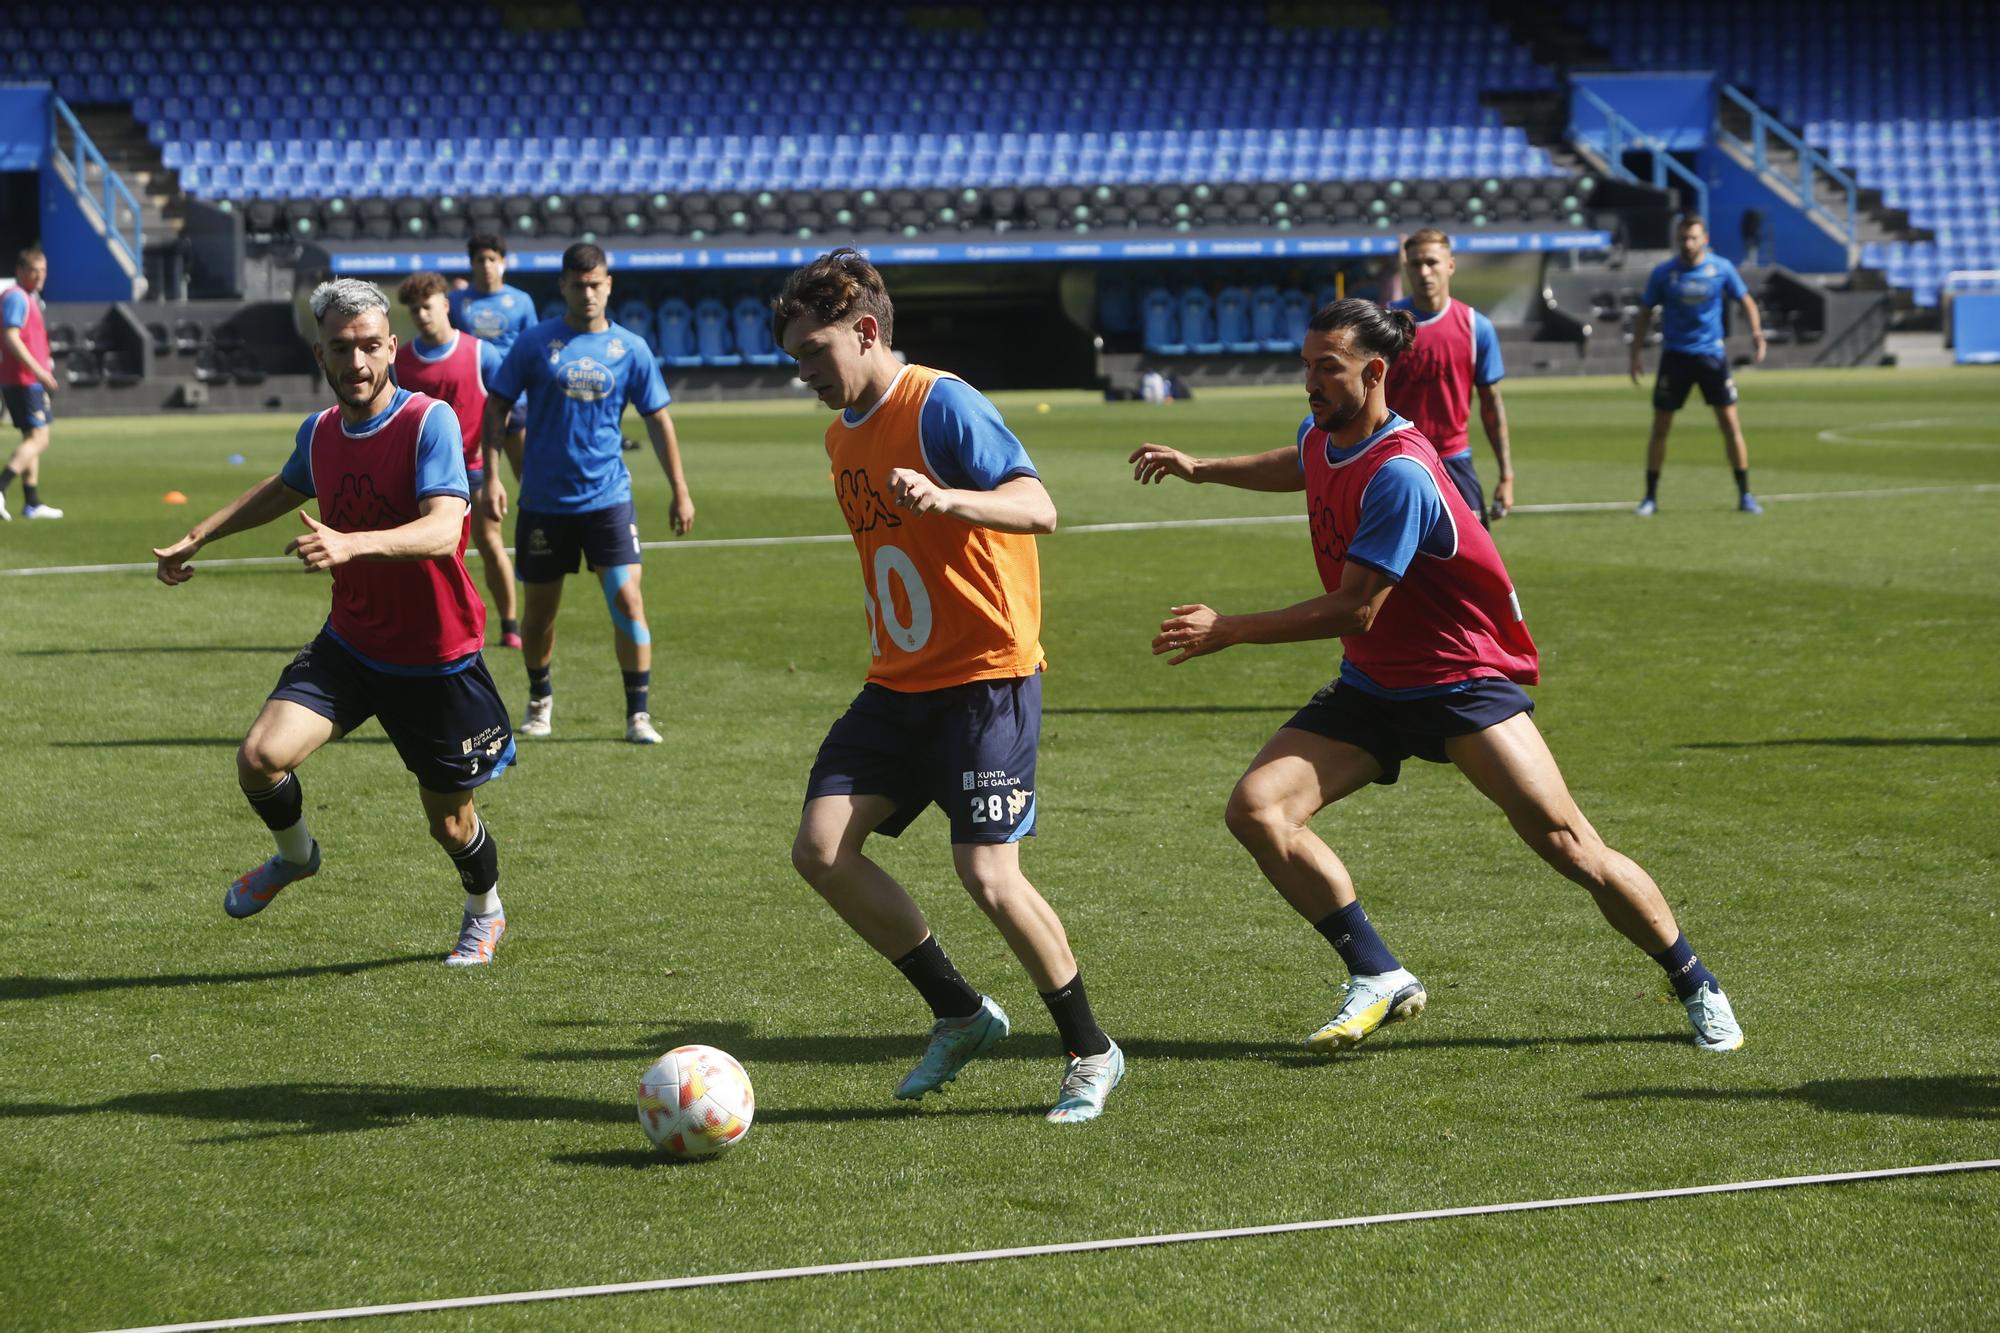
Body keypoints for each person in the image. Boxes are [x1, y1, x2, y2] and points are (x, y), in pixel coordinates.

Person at [1127, 298, 1744, 1054]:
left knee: (1570, 845)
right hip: (1375, 685)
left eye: (1329, 368)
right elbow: (1303, 462)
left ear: (1375, 372)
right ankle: (1378, 974)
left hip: (1459, 681)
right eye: (1307, 366)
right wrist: (1202, 468)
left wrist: (1233, 628)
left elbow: (1356, 609)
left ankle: (1694, 980)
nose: (1311, 384)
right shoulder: (1325, 430)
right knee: (1258, 811)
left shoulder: (1402, 476)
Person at [774, 248, 1125, 1122]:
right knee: (821, 849)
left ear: (865, 330)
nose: (806, 373)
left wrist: (947, 498)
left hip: (984, 678)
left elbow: (1039, 507)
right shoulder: (839, 432)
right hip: (899, 684)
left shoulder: (942, 402)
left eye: (815, 351)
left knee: (988, 872)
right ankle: (960, 1013)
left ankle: (1092, 1048)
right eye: (796, 358)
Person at [150, 279, 515, 966]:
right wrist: (200, 535)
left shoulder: (425, 422)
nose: (358, 363)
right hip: (351, 644)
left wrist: (353, 543)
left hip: (434, 657)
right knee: (259, 759)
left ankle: (483, 908)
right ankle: (296, 856)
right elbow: (284, 486)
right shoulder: (318, 431)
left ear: (392, 347)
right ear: (321, 352)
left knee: (449, 821)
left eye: (371, 346)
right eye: (343, 349)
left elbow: (443, 529)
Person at [480, 242, 694, 745]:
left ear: (609, 285)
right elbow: (497, 409)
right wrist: (491, 476)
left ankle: (638, 714)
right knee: (539, 615)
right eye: (578, 285)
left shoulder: (631, 349)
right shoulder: (535, 344)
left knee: (628, 600)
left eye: (596, 284)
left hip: (608, 500)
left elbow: (658, 421)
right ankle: (539, 700)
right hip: (543, 505)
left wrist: (679, 490)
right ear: (563, 287)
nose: (588, 293)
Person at [395, 270, 522, 649]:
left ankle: (510, 624)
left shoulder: (482, 353)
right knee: (424, 555)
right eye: (414, 309)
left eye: (427, 306)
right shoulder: (401, 362)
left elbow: (502, 416)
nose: (421, 314)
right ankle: (433, 627)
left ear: (446, 305)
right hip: (424, 477)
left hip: (476, 471)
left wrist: (497, 475)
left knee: (490, 543)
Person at [1629, 216, 1767, 515]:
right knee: (1661, 426)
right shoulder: (1664, 273)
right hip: (1676, 356)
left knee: (1730, 423)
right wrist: (1636, 352)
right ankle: (1650, 497)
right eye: (1683, 238)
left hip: (1711, 357)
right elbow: (1644, 312)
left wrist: (1757, 334)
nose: (1688, 244)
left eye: (1693, 238)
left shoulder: (1721, 268)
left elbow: (1746, 301)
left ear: (1704, 238)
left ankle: (1745, 494)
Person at [1385, 229, 1513, 523]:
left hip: (1454, 462)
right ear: (1406, 268)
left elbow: (1491, 405)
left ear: (1451, 265)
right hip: (1398, 462)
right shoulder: (1385, 325)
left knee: (1474, 566)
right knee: (1394, 566)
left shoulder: (1475, 327)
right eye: (1416, 264)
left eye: (1432, 262)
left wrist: (1506, 475)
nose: (1424, 272)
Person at [449, 232, 536, 480]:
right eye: (480, 260)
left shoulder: (521, 301)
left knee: (527, 475)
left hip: (513, 398)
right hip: (470, 400)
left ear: (503, 261)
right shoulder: (455, 302)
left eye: (491, 258)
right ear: (472, 264)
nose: (486, 265)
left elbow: (532, 351)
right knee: (470, 478)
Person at [0, 244, 63, 521]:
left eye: (43, 270)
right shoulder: (17, 297)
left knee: (31, 437)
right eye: (33, 270)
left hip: (23, 379)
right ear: (20, 271)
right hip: (24, 380)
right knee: (40, 439)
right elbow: (11, 336)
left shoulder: (28, 297)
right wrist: (38, 371)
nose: (39, 276)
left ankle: (32, 503)